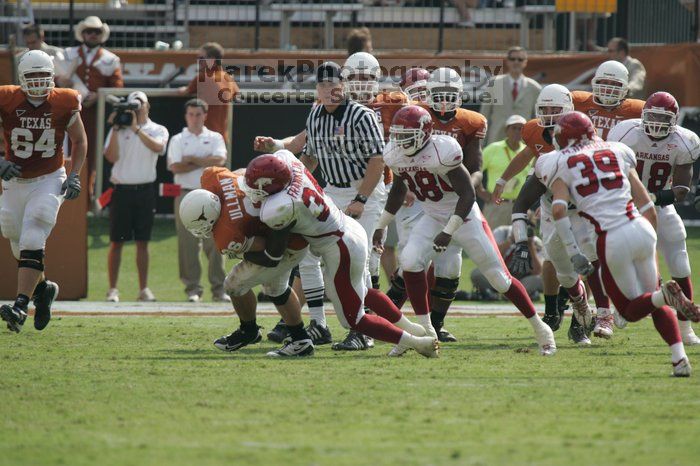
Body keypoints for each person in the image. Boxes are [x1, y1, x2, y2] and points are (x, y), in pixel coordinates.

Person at [373, 105, 556, 356]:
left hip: (465, 215)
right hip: (432, 215)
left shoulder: (443, 149)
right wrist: (381, 226)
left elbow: (467, 194)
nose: (401, 141)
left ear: (424, 133)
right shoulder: (395, 154)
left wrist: (449, 231)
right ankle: (426, 332)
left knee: (498, 278)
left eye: (407, 135)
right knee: (410, 261)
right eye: (398, 134)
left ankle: (541, 328)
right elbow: (398, 189)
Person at [544, 111, 699, 377]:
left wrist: (573, 252)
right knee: (652, 299)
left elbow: (558, 211)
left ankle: (666, 295)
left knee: (628, 310)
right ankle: (679, 359)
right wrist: (648, 240)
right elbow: (648, 205)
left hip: (611, 237)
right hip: (640, 226)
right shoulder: (618, 150)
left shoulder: (560, 161)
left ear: (563, 137)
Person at [244, 151, 439, 358]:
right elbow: (284, 155)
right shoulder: (291, 164)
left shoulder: (280, 207)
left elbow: (274, 254)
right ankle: (412, 329)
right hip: (349, 229)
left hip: (339, 247)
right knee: (363, 292)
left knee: (352, 319)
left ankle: (418, 343)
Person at [178, 167, 315, 357]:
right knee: (277, 289)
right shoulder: (215, 177)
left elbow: (264, 248)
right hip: (294, 223)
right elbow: (242, 172)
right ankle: (301, 339)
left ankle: (248, 331)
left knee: (233, 284)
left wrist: (241, 250)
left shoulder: (227, 232)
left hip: (285, 243)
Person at [0, 51, 86, 333]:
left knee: (34, 231)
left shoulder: (64, 101)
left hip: (49, 177)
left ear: (51, 75)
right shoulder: (7, 98)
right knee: (14, 235)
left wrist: (74, 176)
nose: (38, 81)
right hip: (15, 180)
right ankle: (44, 290)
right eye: (32, 75)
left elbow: (80, 141)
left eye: (42, 75)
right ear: (22, 77)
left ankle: (21, 305)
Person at [607, 92, 700, 345]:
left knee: (680, 263)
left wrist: (652, 198)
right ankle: (622, 304)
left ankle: (686, 329)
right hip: (626, 207)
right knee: (621, 257)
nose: (657, 122)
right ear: (643, 115)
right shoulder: (624, 133)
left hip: (660, 206)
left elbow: (681, 191)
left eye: (663, 117)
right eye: (653, 116)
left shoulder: (685, 141)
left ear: (675, 120)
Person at [103, 91, 169, 303]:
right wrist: (115, 127)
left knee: (143, 242)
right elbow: (111, 157)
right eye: (134, 105)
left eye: (141, 104)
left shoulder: (158, 129)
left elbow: (159, 148)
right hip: (121, 191)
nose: (138, 108)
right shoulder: (119, 130)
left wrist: (135, 128)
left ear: (148, 106)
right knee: (116, 242)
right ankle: (112, 289)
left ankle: (143, 289)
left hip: (145, 191)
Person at [167, 99, 228, 303]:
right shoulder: (177, 139)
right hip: (185, 194)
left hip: (211, 194)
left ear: (205, 115)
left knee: (216, 242)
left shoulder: (215, 137)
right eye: (191, 114)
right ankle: (193, 289)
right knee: (188, 243)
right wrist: (204, 161)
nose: (194, 118)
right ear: (186, 116)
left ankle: (219, 289)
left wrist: (191, 159)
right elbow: (175, 167)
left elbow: (219, 162)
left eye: (198, 114)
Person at [62, 16, 123, 198]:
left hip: (96, 113)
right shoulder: (68, 54)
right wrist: (60, 80)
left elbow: (118, 87)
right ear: (82, 33)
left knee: (93, 153)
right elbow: (54, 78)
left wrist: (99, 95)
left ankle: (88, 196)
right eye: (89, 31)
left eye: (96, 31)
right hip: (71, 110)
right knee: (67, 148)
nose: (92, 34)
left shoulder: (111, 59)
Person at [178, 42, 239, 143]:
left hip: (205, 138)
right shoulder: (228, 78)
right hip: (222, 138)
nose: (198, 61)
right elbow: (237, 94)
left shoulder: (202, 77)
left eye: (201, 58)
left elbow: (184, 92)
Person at [480, 47, 541, 145]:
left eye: (520, 59)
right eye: (513, 59)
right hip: (497, 141)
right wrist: (480, 145)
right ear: (507, 61)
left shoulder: (534, 88)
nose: (516, 62)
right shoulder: (494, 83)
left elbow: (538, 120)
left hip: (523, 143)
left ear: (525, 62)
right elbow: (483, 117)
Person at [477, 114, 527, 228]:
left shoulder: (527, 152)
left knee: (520, 243)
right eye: (514, 128)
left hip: (520, 206)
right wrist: (481, 191)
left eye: (521, 129)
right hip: (496, 206)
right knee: (493, 243)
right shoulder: (493, 148)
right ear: (506, 130)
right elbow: (476, 170)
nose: (517, 131)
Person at [471, 223, 543, 300]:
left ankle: (514, 294)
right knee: (477, 273)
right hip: (499, 276)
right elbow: (490, 259)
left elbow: (537, 272)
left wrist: (531, 246)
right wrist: (510, 241)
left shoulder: (536, 242)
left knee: (540, 280)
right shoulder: (501, 233)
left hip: (521, 280)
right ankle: (500, 294)